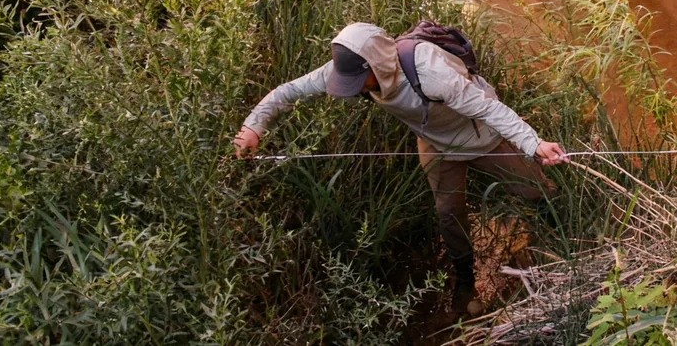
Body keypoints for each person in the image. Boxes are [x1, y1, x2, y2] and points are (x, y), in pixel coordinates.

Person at [232, 22, 568, 315]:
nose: (352, 89)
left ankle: (564, 233)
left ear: (378, 65)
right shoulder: (347, 69)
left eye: (358, 80)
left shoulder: (431, 72)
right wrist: (253, 127)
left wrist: (533, 144)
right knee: (448, 214)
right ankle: (465, 281)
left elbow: (489, 110)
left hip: (482, 136)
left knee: (533, 191)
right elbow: (287, 92)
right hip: (436, 143)